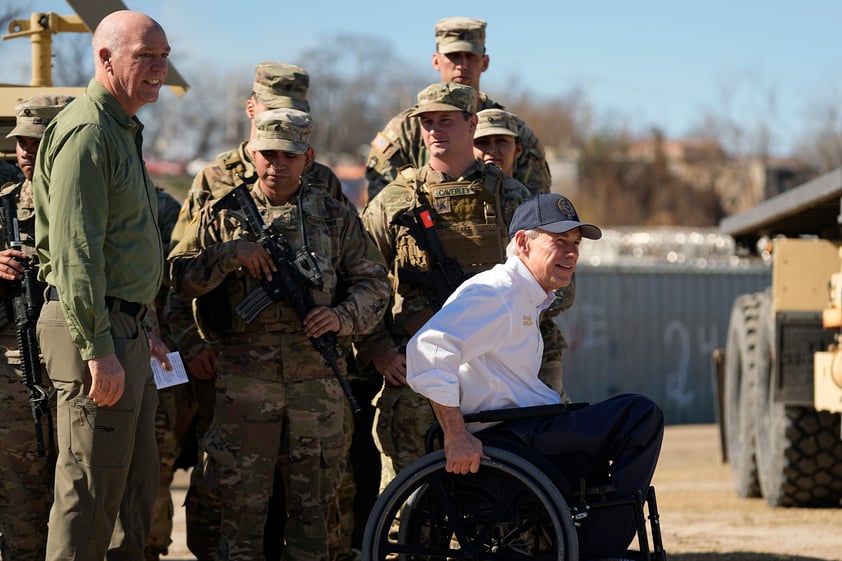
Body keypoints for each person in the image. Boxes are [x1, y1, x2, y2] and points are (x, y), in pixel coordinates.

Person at [168, 108, 390, 561]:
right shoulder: (222, 213)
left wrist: (341, 317)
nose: (277, 164)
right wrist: (231, 254)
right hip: (245, 386)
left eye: (288, 154)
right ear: (252, 153)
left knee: (316, 515)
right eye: (267, 153)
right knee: (240, 513)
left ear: (307, 156)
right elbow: (179, 278)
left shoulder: (333, 215)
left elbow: (375, 283)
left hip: (318, 383)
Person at [406, 192, 664, 561]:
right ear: (523, 243)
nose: (572, 253)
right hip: (507, 442)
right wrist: (455, 434)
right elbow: (427, 350)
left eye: (575, 244)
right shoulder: (497, 293)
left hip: (523, 433)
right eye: (560, 242)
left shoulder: (524, 298)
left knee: (614, 429)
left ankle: (592, 534)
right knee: (640, 415)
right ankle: (595, 547)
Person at [31, 10, 173, 561]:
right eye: (146, 56)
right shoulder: (89, 132)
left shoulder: (120, 128)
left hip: (123, 328)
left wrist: (140, 330)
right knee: (89, 491)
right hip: (94, 329)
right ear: (106, 58)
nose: (160, 68)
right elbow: (76, 254)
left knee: (131, 492)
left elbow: (118, 249)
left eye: (164, 56)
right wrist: (99, 347)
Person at [358, 81, 532, 488]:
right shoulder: (393, 201)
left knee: (501, 499)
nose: (435, 130)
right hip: (416, 375)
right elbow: (359, 281)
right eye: (428, 122)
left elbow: (541, 283)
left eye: (446, 121)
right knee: (410, 504)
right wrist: (379, 349)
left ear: (471, 123)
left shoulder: (510, 196)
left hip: (493, 378)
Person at [364, 16, 551, 198]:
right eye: (454, 56)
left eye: (470, 56)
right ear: (436, 60)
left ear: (484, 62)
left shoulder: (511, 129)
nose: (462, 65)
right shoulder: (404, 129)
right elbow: (381, 204)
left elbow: (536, 204)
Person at [0, 93, 73, 561]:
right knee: (20, 488)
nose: (25, 151)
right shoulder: (3, 203)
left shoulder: (93, 200)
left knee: (78, 486)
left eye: (37, 140)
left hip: (78, 360)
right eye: (20, 142)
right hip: (15, 362)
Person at [473, 107, 573, 400]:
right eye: (483, 142)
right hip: (475, 341)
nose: (492, 150)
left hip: (532, 338)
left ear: (517, 148)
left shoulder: (539, 209)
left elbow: (565, 288)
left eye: (501, 142)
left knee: (550, 427)